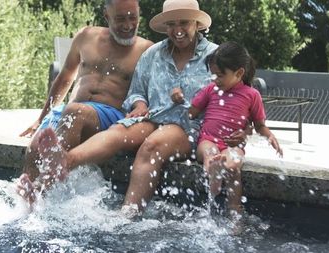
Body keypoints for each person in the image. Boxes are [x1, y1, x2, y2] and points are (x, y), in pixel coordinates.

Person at [31, 0, 244, 216]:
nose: (177, 30)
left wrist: (238, 129)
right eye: (171, 24)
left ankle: (128, 213)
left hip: (189, 125)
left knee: (152, 144)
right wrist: (139, 103)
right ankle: (59, 167)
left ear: (197, 24)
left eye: (184, 23)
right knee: (117, 131)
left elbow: (238, 94)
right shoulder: (154, 54)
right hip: (152, 118)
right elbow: (136, 91)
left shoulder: (216, 56)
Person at [17, 0, 153, 196]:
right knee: (35, 145)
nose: (128, 25)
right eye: (121, 18)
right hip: (70, 112)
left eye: (133, 18)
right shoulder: (86, 36)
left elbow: (151, 91)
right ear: (107, 16)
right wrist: (41, 118)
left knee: (75, 111)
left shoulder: (146, 49)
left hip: (109, 116)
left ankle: (44, 186)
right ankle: (28, 199)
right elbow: (65, 77)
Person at [183, 41, 283, 217]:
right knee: (210, 151)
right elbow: (192, 113)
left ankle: (234, 211)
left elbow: (259, 125)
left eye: (220, 75)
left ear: (239, 73)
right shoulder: (210, 90)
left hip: (233, 146)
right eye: (213, 75)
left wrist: (270, 136)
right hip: (208, 139)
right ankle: (214, 172)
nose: (215, 79)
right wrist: (180, 99)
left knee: (233, 165)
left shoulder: (252, 95)